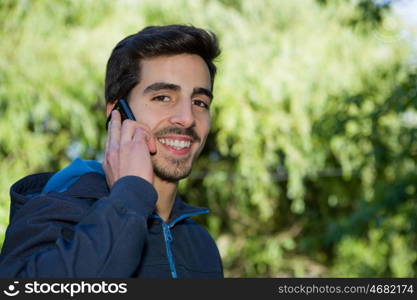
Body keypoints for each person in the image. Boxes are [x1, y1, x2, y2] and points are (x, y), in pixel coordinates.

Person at [0, 24, 223, 278]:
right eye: (162, 97)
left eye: (199, 102)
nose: (187, 118)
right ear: (116, 112)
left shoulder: (202, 243)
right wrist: (130, 197)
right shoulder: (53, 212)